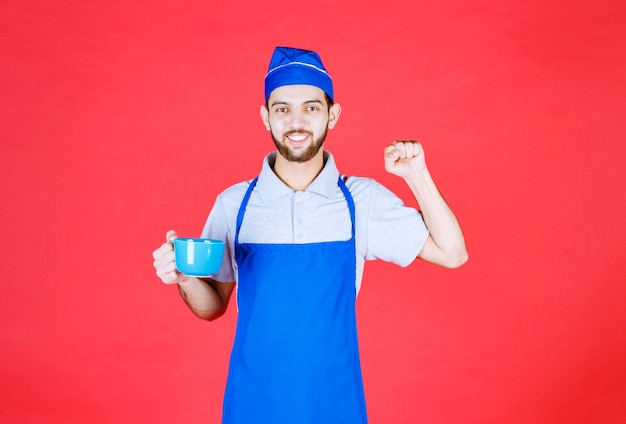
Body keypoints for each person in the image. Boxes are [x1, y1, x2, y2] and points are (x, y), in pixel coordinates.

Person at [152, 46, 467, 424]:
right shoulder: (234, 204)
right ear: (265, 117)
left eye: (311, 107)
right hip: (252, 404)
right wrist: (185, 278)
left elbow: (453, 253)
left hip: (336, 405)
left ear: (332, 115)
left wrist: (417, 175)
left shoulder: (360, 201)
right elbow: (212, 305)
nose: (296, 122)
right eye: (282, 108)